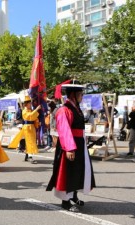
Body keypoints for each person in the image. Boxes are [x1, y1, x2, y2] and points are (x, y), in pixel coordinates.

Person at [46, 81, 96, 212]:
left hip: (79, 145)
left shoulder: (76, 109)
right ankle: (65, 201)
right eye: (80, 94)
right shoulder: (64, 110)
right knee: (69, 173)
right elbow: (64, 130)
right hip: (70, 146)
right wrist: (69, 148)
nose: (82, 97)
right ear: (73, 95)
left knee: (78, 172)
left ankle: (74, 195)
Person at [8, 95, 41, 164]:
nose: (30, 104)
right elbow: (30, 116)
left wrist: (37, 121)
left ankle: (27, 155)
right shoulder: (24, 111)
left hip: (31, 127)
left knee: (30, 141)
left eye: (30, 103)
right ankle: (30, 156)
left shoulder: (30, 110)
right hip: (27, 127)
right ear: (26, 104)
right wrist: (36, 109)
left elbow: (34, 117)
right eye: (29, 103)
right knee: (30, 142)